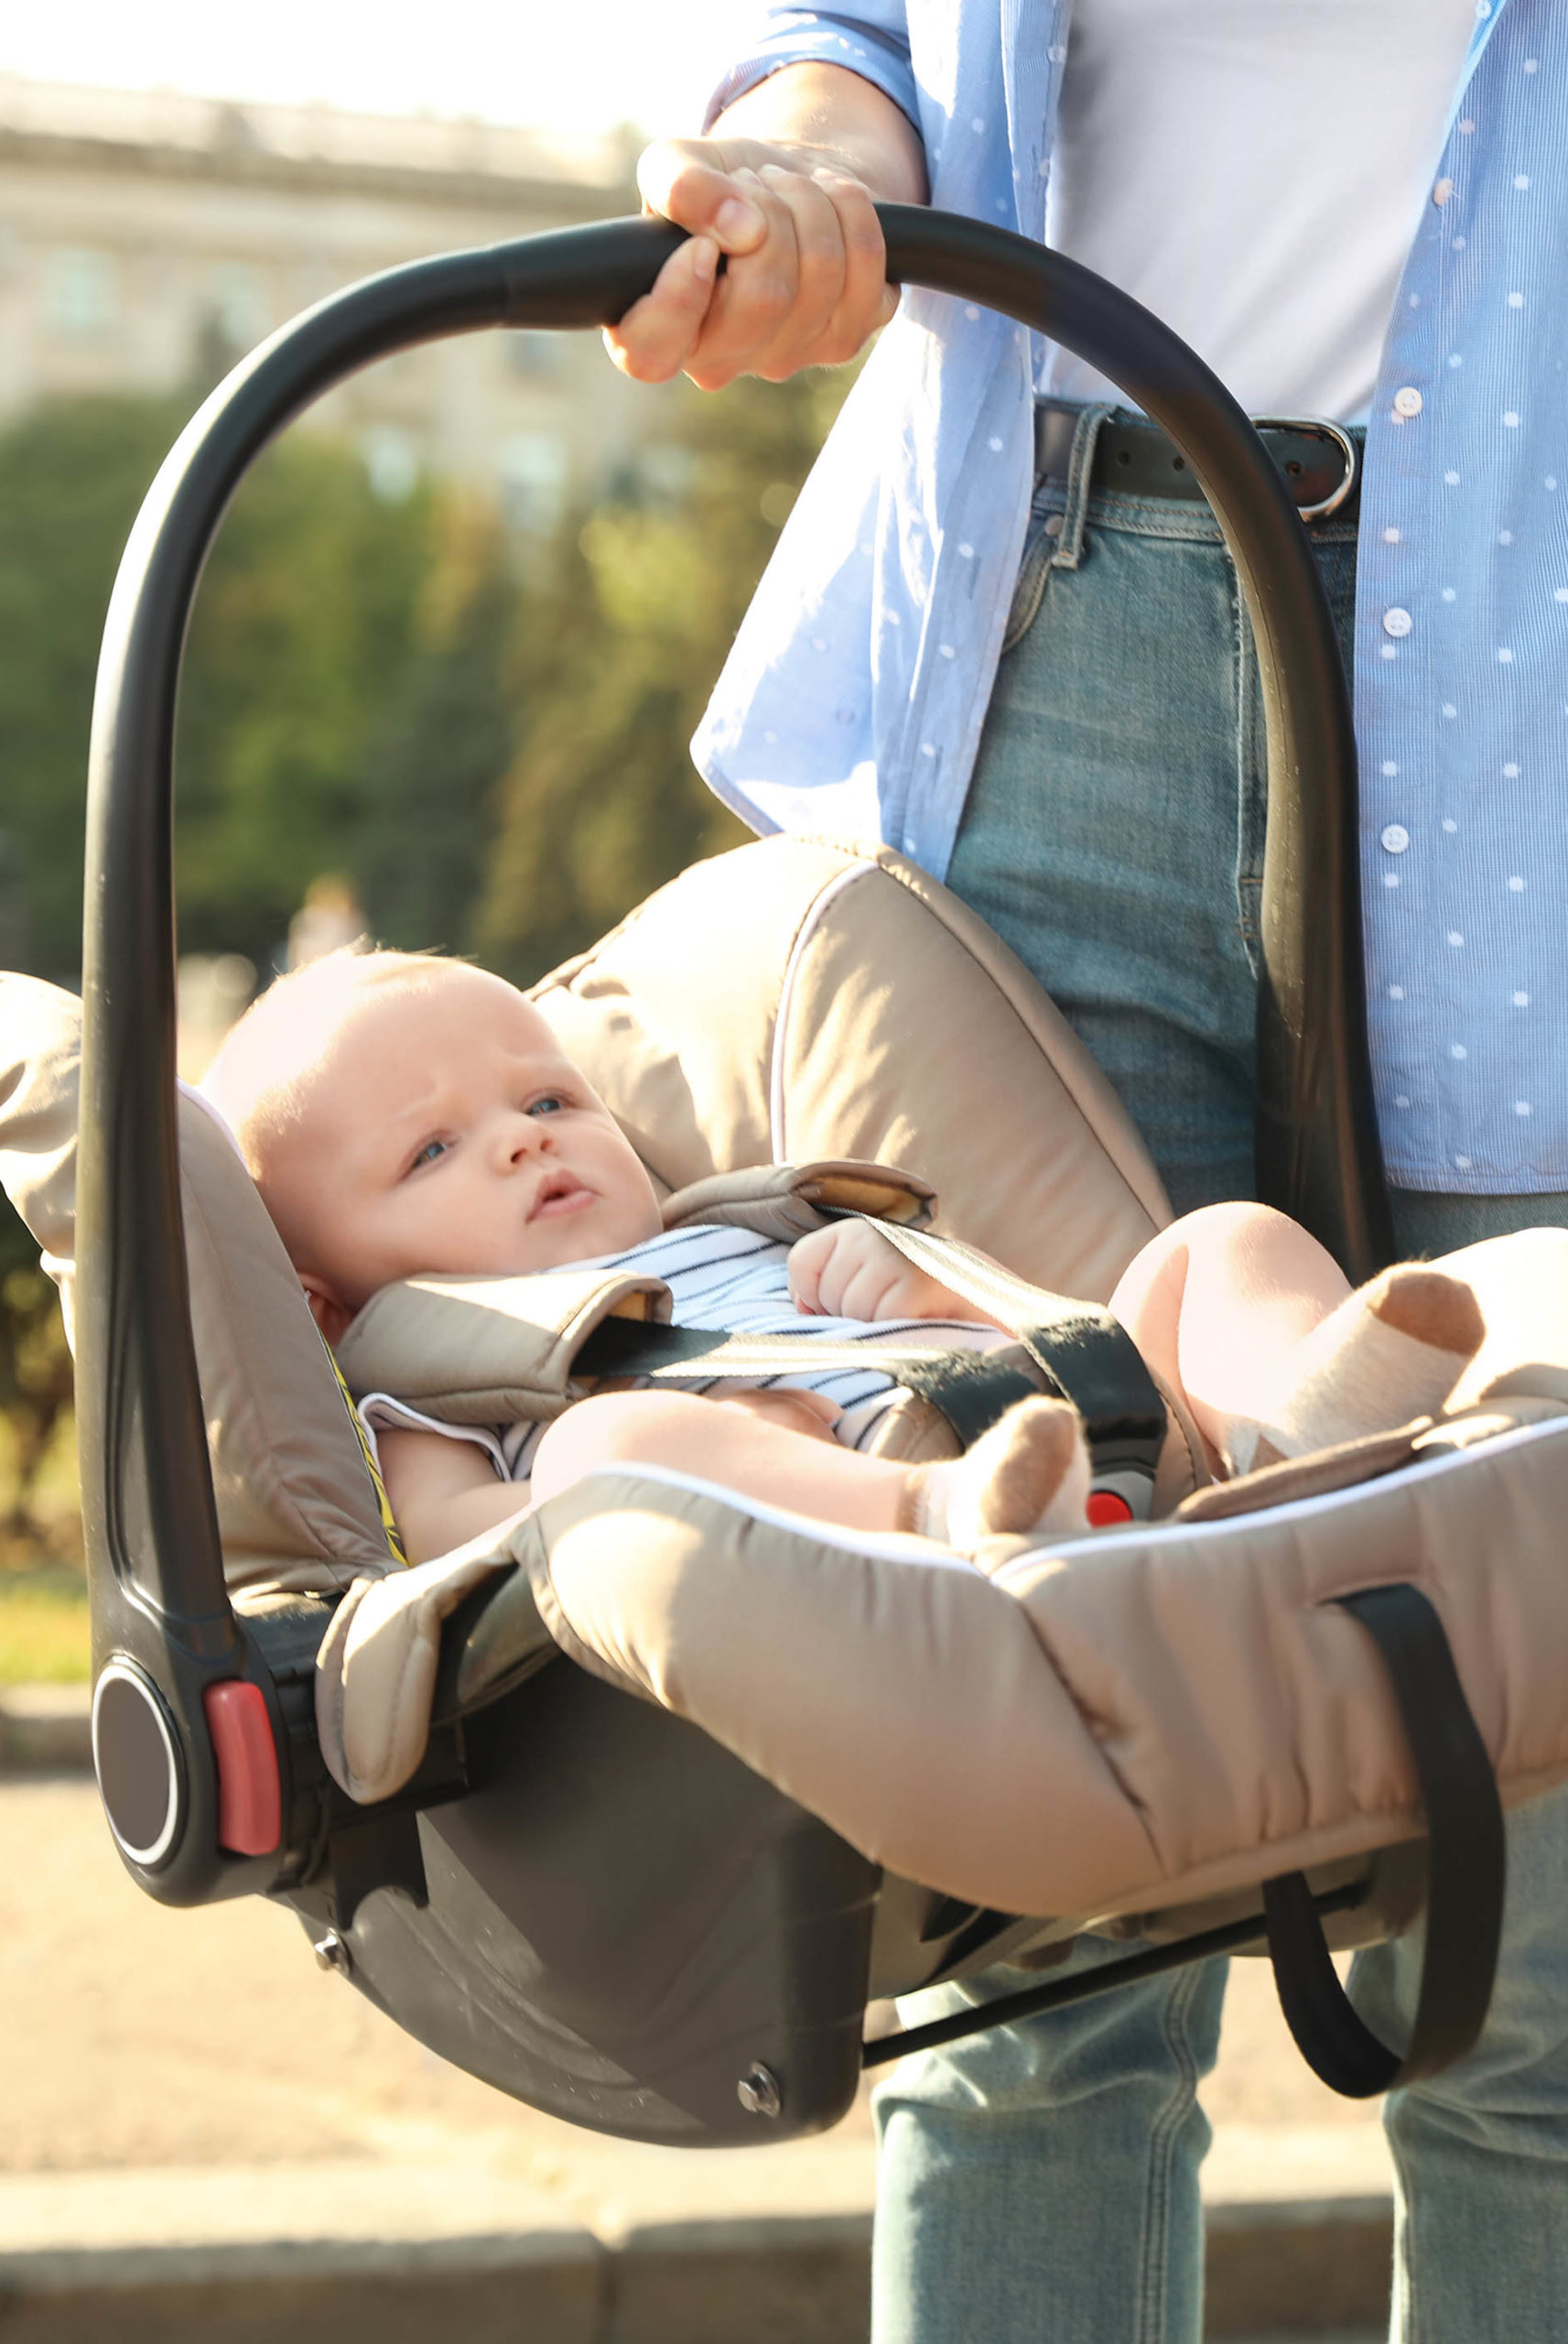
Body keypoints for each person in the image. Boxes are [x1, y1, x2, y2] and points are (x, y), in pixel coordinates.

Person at [602, 5, 1568, 2338]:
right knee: (1043, 1886)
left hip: (1537, 642)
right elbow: (856, 27)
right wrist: (820, 141)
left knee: (1544, 1931)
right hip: (1063, 610)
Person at [201, 945, 1491, 1570]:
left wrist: (942, 1286)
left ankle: (1299, 1438)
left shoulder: (748, 1231)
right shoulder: (431, 1376)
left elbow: (1045, 1324)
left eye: (545, 1104)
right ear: (331, 1303)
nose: (518, 1148)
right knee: (606, 1450)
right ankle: (956, 1515)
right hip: (884, 1538)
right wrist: (690, 1471)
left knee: (1222, 1245)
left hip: (1091, 1428)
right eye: (431, 1154)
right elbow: (447, 1536)